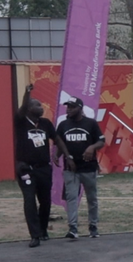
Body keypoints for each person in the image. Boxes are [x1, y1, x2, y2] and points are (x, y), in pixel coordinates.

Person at [14, 84, 66, 248]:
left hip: (44, 168)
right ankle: (34, 235)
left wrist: (65, 155)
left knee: (45, 201)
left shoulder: (45, 123)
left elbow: (57, 139)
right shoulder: (21, 121)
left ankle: (43, 230)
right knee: (29, 200)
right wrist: (27, 93)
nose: (41, 108)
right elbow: (21, 108)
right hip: (26, 168)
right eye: (37, 105)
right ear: (29, 108)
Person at [56, 97, 105, 239]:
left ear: (80, 108)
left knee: (92, 198)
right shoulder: (63, 124)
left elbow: (101, 141)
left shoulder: (90, 123)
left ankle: (93, 226)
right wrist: (57, 155)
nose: (68, 109)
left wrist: (92, 147)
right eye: (67, 107)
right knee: (71, 197)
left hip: (88, 167)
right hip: (70, 168)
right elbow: (60, 141)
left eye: (72, 107)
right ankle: (73, 228)